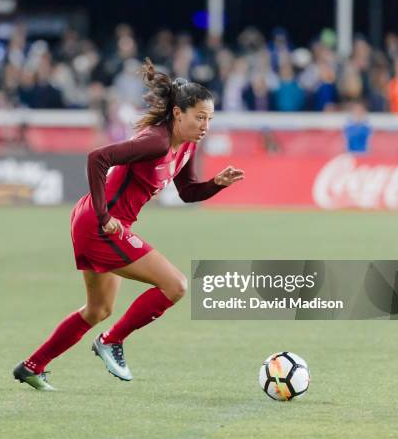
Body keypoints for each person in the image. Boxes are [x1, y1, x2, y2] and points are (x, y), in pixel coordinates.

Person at [13, 58, 244, 391]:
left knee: (98, 309)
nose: (206, 125)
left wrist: (217, 183)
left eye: (210, 118)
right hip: (99, 223)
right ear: (178, 114)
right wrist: (105, 217)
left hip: (96, 221)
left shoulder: (187, 145)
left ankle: (32, 366)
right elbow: (97, 158)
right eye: (200, 117)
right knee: (175, 285)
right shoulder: (157, 141)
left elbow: (188, 192)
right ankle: (111, 342)